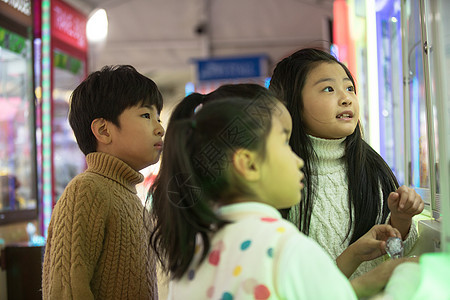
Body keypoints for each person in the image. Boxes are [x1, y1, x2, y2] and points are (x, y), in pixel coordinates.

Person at [148, 84, 414, 299]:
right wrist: (391, 280)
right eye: (285, 143)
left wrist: (355, 258)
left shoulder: (195, 249)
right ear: (249, 164)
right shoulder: (284, 247)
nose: (297, 158)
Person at [269, 48, 424, 279]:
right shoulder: (284, 180)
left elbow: (393, 252)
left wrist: (400, 219)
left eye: (349, 88)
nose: (346, 98)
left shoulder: (372, 167)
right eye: (329, 89)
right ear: (292, 104)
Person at [42, 65, 164, 299]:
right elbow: (65, 291)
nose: (160, 128)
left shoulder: (128, 196)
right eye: (146, 115)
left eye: (158, 117)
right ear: (103, 130)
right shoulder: (86, 190)